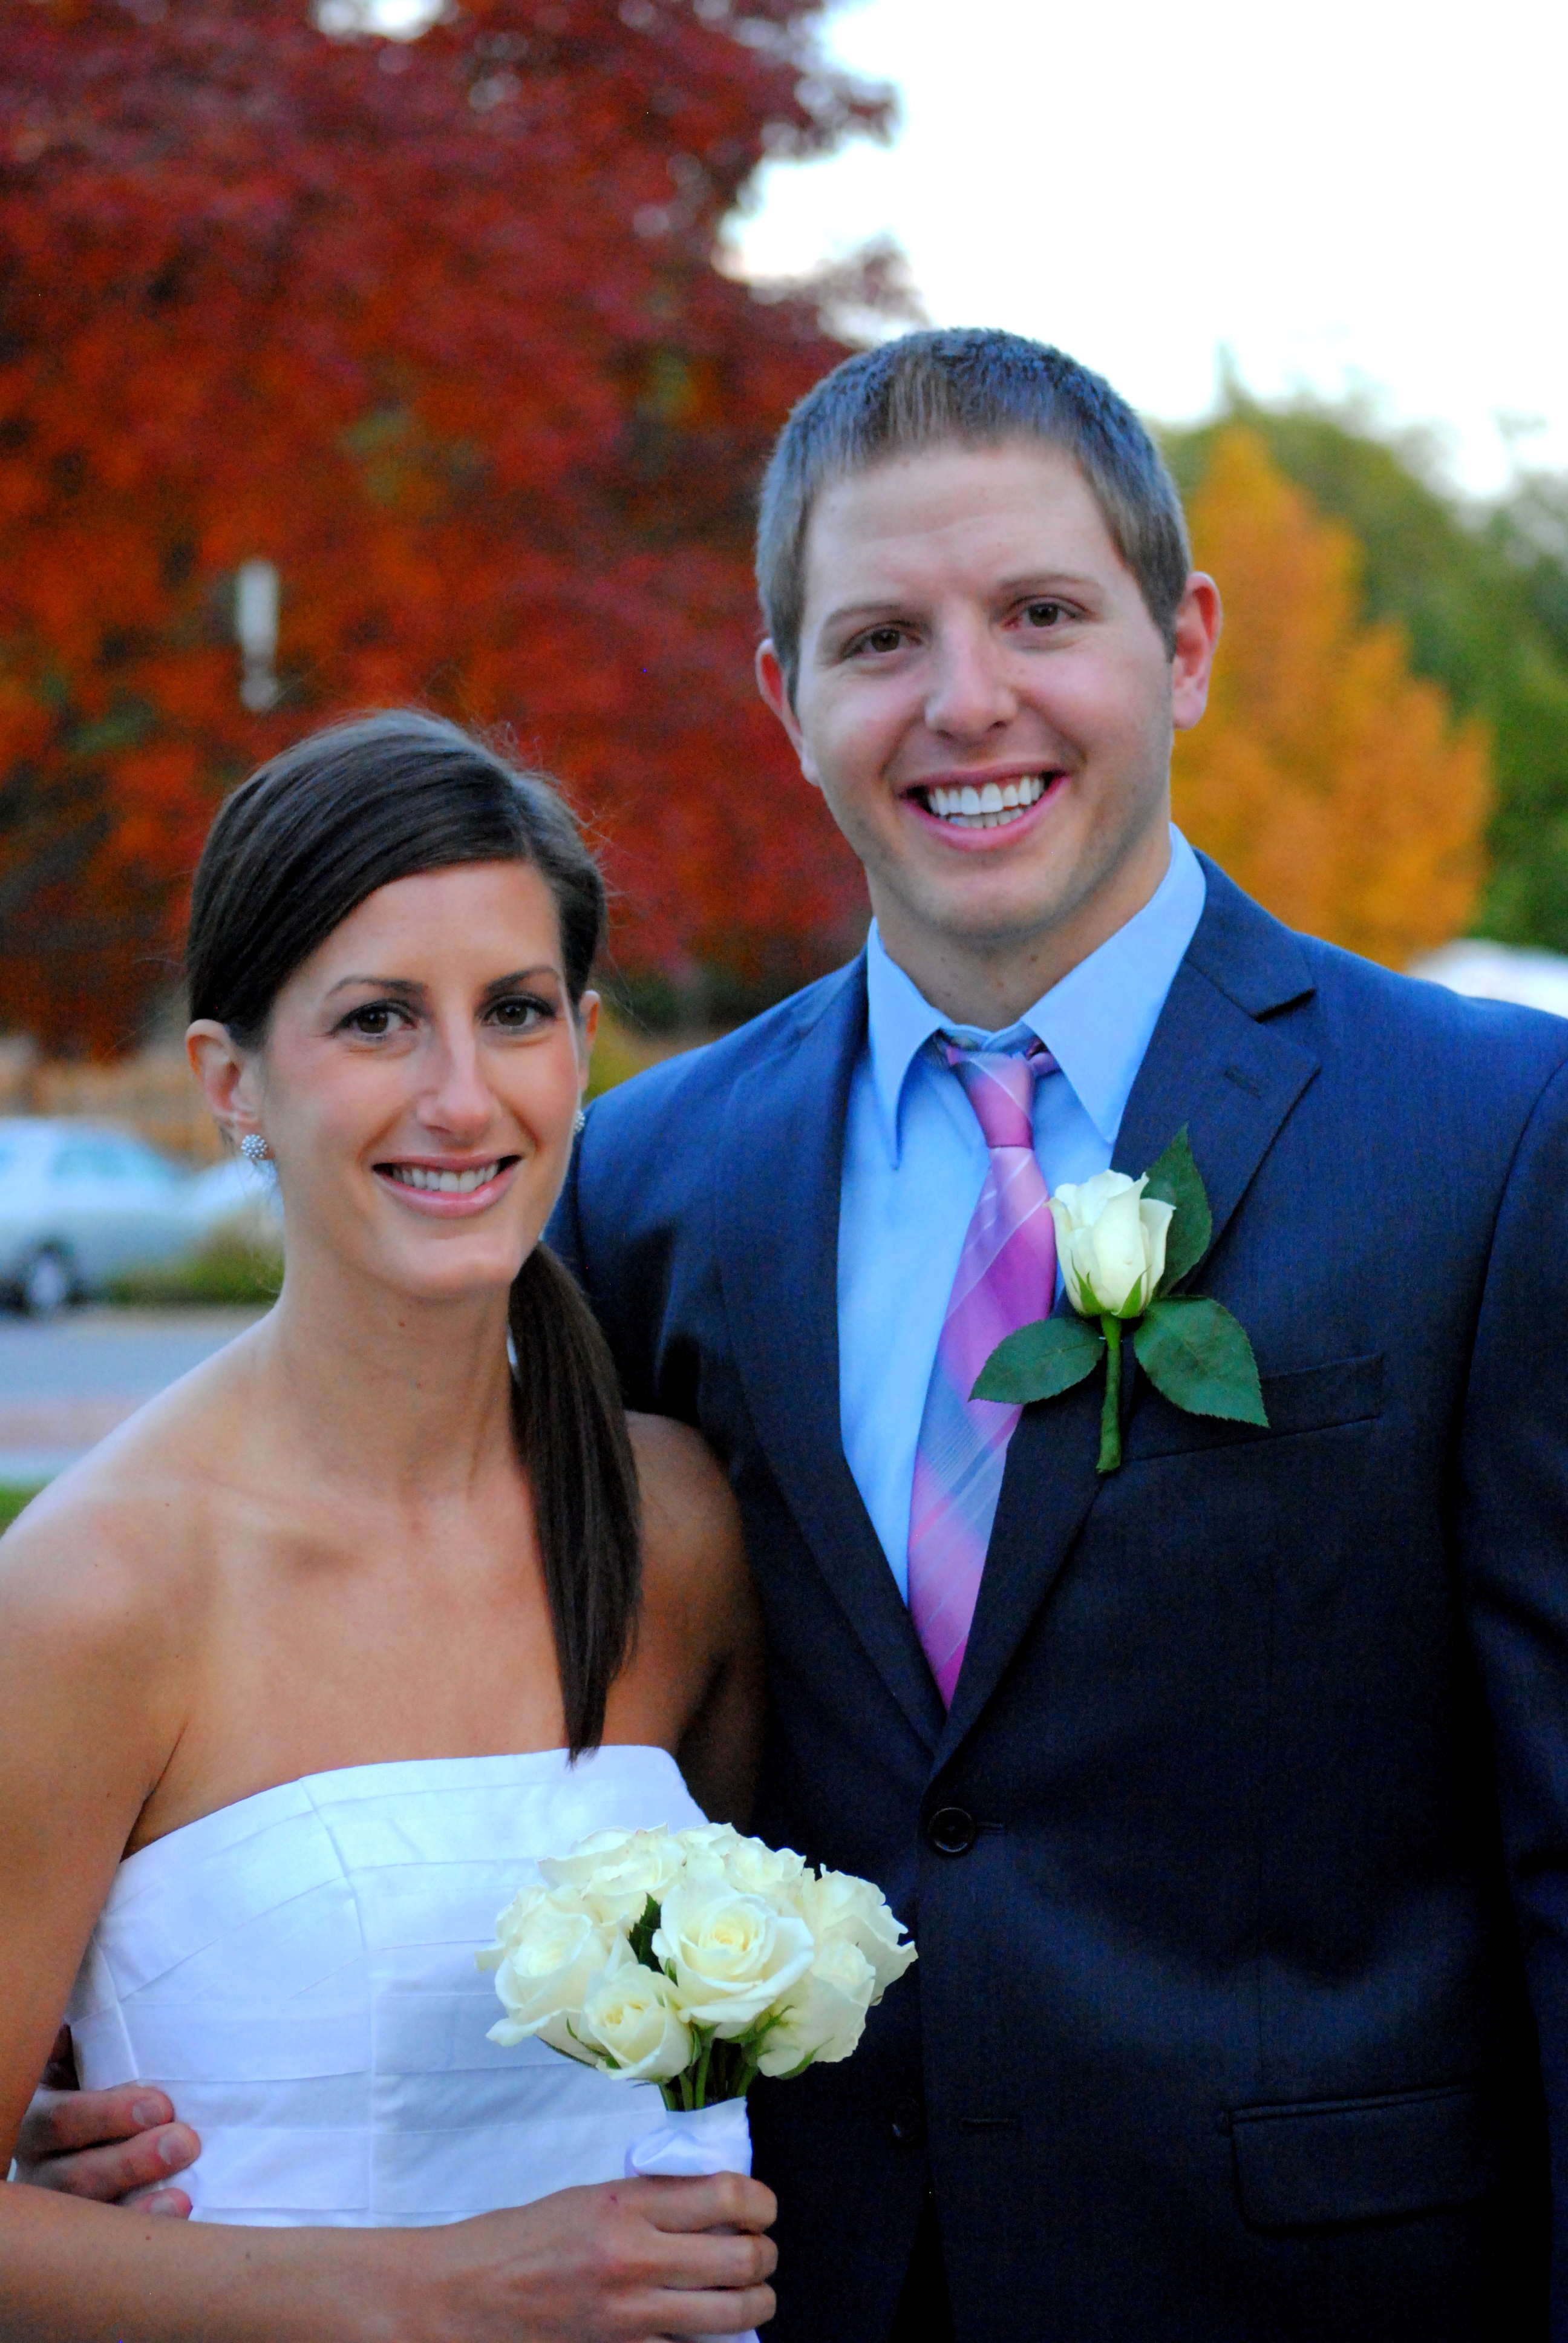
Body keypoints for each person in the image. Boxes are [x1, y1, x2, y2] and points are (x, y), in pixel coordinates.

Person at [25, 327, 1568, 2339]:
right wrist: (141, 2077)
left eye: (1040, 614)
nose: (966, 700)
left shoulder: (1490, 1140)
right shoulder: (651, 1182)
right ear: (788, 701)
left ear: (1184, 646)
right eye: (881, 639)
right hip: (804, 2288)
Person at [0, 712, 778, 2339]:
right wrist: (446, 2291)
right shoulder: (96, 1594)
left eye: (515, 1013)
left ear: (582, 1047)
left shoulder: (674, 1529)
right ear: (232, 1083)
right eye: (377, 1021)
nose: (461, 1095)